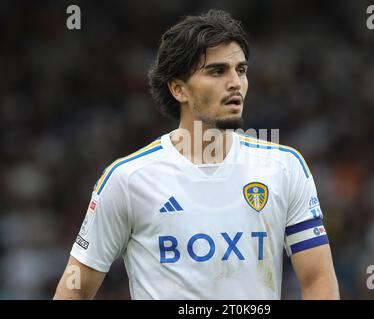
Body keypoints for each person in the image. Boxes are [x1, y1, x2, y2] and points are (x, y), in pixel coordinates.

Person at [54, 9, 339, 300]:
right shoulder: (128, 180)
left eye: (240, 70)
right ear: (179, 89)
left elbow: (318, 279)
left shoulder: (284, 167)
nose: (235, 83)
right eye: (217, 71)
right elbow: (74, 290)